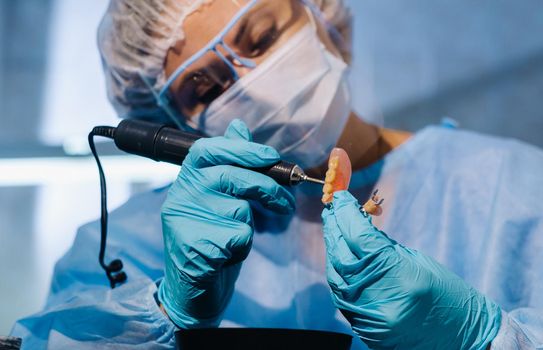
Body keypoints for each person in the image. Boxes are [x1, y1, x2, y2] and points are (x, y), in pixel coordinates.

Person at [11, 0, 543, 348]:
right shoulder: (136, 245)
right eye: (207, 89)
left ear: (326, 23)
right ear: (172, 126)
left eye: (263, 38)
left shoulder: (513, 187)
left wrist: (483, 338)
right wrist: (169, 312)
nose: (256, 83)